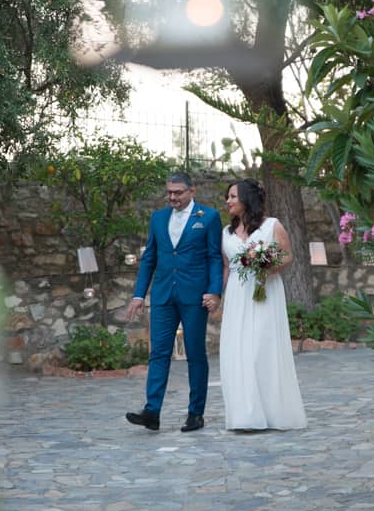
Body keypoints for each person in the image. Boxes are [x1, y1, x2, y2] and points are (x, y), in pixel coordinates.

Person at [125, 171, 223, 432]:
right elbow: (149, 259)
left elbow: (214, 257)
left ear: (192, 192)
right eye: (169, 192)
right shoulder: (158, 218)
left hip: (194, 295)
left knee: (195, 354)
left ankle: (195, 413)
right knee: (158, 353)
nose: (172, 197)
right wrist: (138, 295)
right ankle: (152, 411)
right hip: (163, 295)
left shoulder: (209, 217)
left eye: (178, 192)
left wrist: (215, 292)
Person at [220, 178, 307, 430]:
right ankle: (245, 416)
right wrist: (218, 296)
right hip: (238, 294)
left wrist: (266, 265)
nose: (228, 201)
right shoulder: (225, 233)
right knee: (238, 353)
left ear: (246, 198)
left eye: (233, 196)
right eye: (228, 197)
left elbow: (288, 256)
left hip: (265, 291)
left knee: (262, 348)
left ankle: (273, 412)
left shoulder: (272, 226)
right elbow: (226, 267)